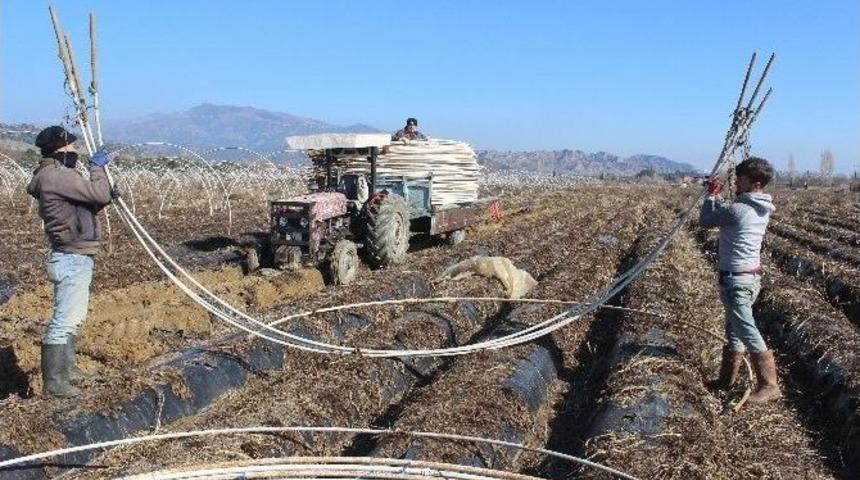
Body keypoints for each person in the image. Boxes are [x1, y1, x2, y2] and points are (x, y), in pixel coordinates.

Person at [26, 125, 117, 398]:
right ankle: (54, 384)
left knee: (74, 318)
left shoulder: (59, 175)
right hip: (70, 257)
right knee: (64, 320)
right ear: (59, 149)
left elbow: (85, 204)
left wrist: (107, 196)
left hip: (75, 255)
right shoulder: (56, 176)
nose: (75, 151)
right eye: (72, 146)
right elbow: (97, 193)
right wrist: (98, 170)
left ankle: (68, 371)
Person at [700, 157, 779, 404]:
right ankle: (726, 380)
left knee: (746, 329)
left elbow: (705, 220)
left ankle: (769, 385)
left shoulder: (739, 209)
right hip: (750, 279)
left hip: (736, 281)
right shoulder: (760, 207)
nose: (736, 182)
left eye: (741, 178)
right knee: (734, 329)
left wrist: (711, 196)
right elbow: (727, 215)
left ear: (754, 182)